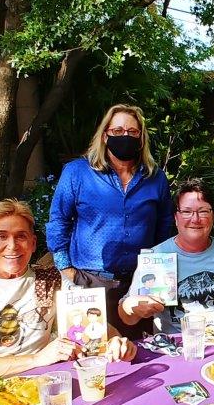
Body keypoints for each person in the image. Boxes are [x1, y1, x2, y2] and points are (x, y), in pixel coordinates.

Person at [0, 199, 137, 405]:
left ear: (33, 243)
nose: (12, 245)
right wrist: (37, 359)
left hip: (31, 390)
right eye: (1, 236)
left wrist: (115, 342)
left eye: (21, 236)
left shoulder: (50, 280)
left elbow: (98, 326)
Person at [46, 104, 174, 337]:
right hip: (89, 280)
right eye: (118, 131)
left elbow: (165, 227)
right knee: (91, 347)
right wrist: (66, 269)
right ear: (105, 136)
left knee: (139, 350)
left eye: (132, 132)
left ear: (141, 138)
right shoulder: (77, 172)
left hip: (139, 282)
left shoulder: (156, 178)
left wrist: (162, 275)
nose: (125, 136)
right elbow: (58, 221)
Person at [119, 179, 214, 333]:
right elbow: (127, 318)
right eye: (186, 211)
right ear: (176, 217)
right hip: (174, 349)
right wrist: (132, 307)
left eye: (203, 211)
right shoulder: (156, 256)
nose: (195, 219)